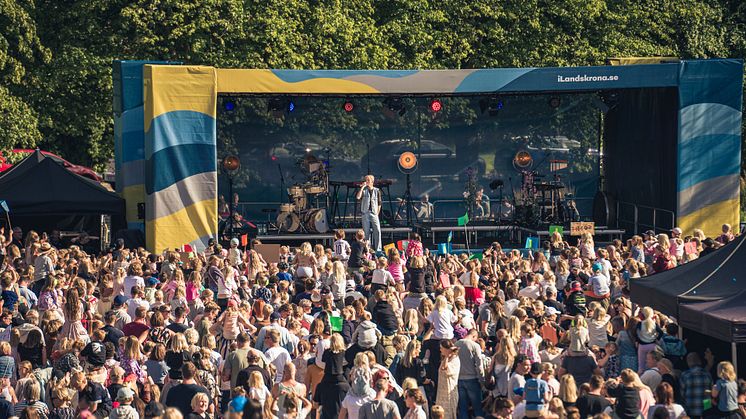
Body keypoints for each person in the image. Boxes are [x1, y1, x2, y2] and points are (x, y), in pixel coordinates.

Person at [455, 329, 484, 418]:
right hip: (472, 379)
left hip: (459, 379)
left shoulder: (456, 344)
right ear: (474, 336)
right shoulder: (475, 346)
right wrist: (482, 380)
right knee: (477, 407)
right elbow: (479, 365)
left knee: (463, 407)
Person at [680, 352, 713, 419]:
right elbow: (711, 392)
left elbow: (682, 394)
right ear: (699, 361)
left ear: (688, 362)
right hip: (706, 410)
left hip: (691, 409)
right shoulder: (707, 374)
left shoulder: (685, 375)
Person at [356, 174, 382, 252]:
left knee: (377, 230)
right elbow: (358, 197)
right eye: (365, 180)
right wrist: (362, 187)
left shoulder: (377, 191)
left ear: (372, 181)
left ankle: (378, 249)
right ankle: (367, 249)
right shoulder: (364, 190)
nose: (366, 182)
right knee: (366, 231)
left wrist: (377, 213)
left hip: (374, 212)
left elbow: (379, 203)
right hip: (365, 212)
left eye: (368, 180)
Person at [435, 339, 460, 419]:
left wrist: (447, 355)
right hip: (441, 392)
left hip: (449, 392)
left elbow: (445, 369)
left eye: (441, 348)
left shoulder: (455, 360)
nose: (440, 349)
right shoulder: (445, 359)